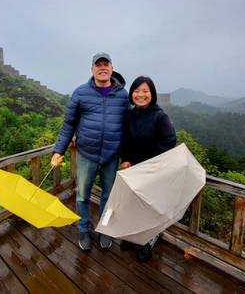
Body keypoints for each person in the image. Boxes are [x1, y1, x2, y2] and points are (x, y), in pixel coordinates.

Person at [51, 52, 129, 251]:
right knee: (82, 195)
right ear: (92, 69)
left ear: (112, 68)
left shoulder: (122, 95)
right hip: (86, 154)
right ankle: (83, 229)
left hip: (111, 156)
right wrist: (59, 150)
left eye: (106, 64)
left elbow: (129, 126)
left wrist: (128, 156)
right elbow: (69, 124)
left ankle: (104, 229)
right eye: (98, 65)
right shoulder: (81, 92)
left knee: (108, 197)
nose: (102, 68)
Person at [119, 75, 177, 262]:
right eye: (137, 91)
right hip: (132, 169)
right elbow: (125, 140)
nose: (141, 95)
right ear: (131, 94)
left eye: (145, 91)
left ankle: (147, 241)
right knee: (132, 205)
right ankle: (131, 236)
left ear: (152, 94)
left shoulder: (160, 117)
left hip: (152, 171)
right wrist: (125, 159)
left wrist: (148, 164)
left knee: (149, 207)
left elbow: (169, 141)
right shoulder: (130, 114)